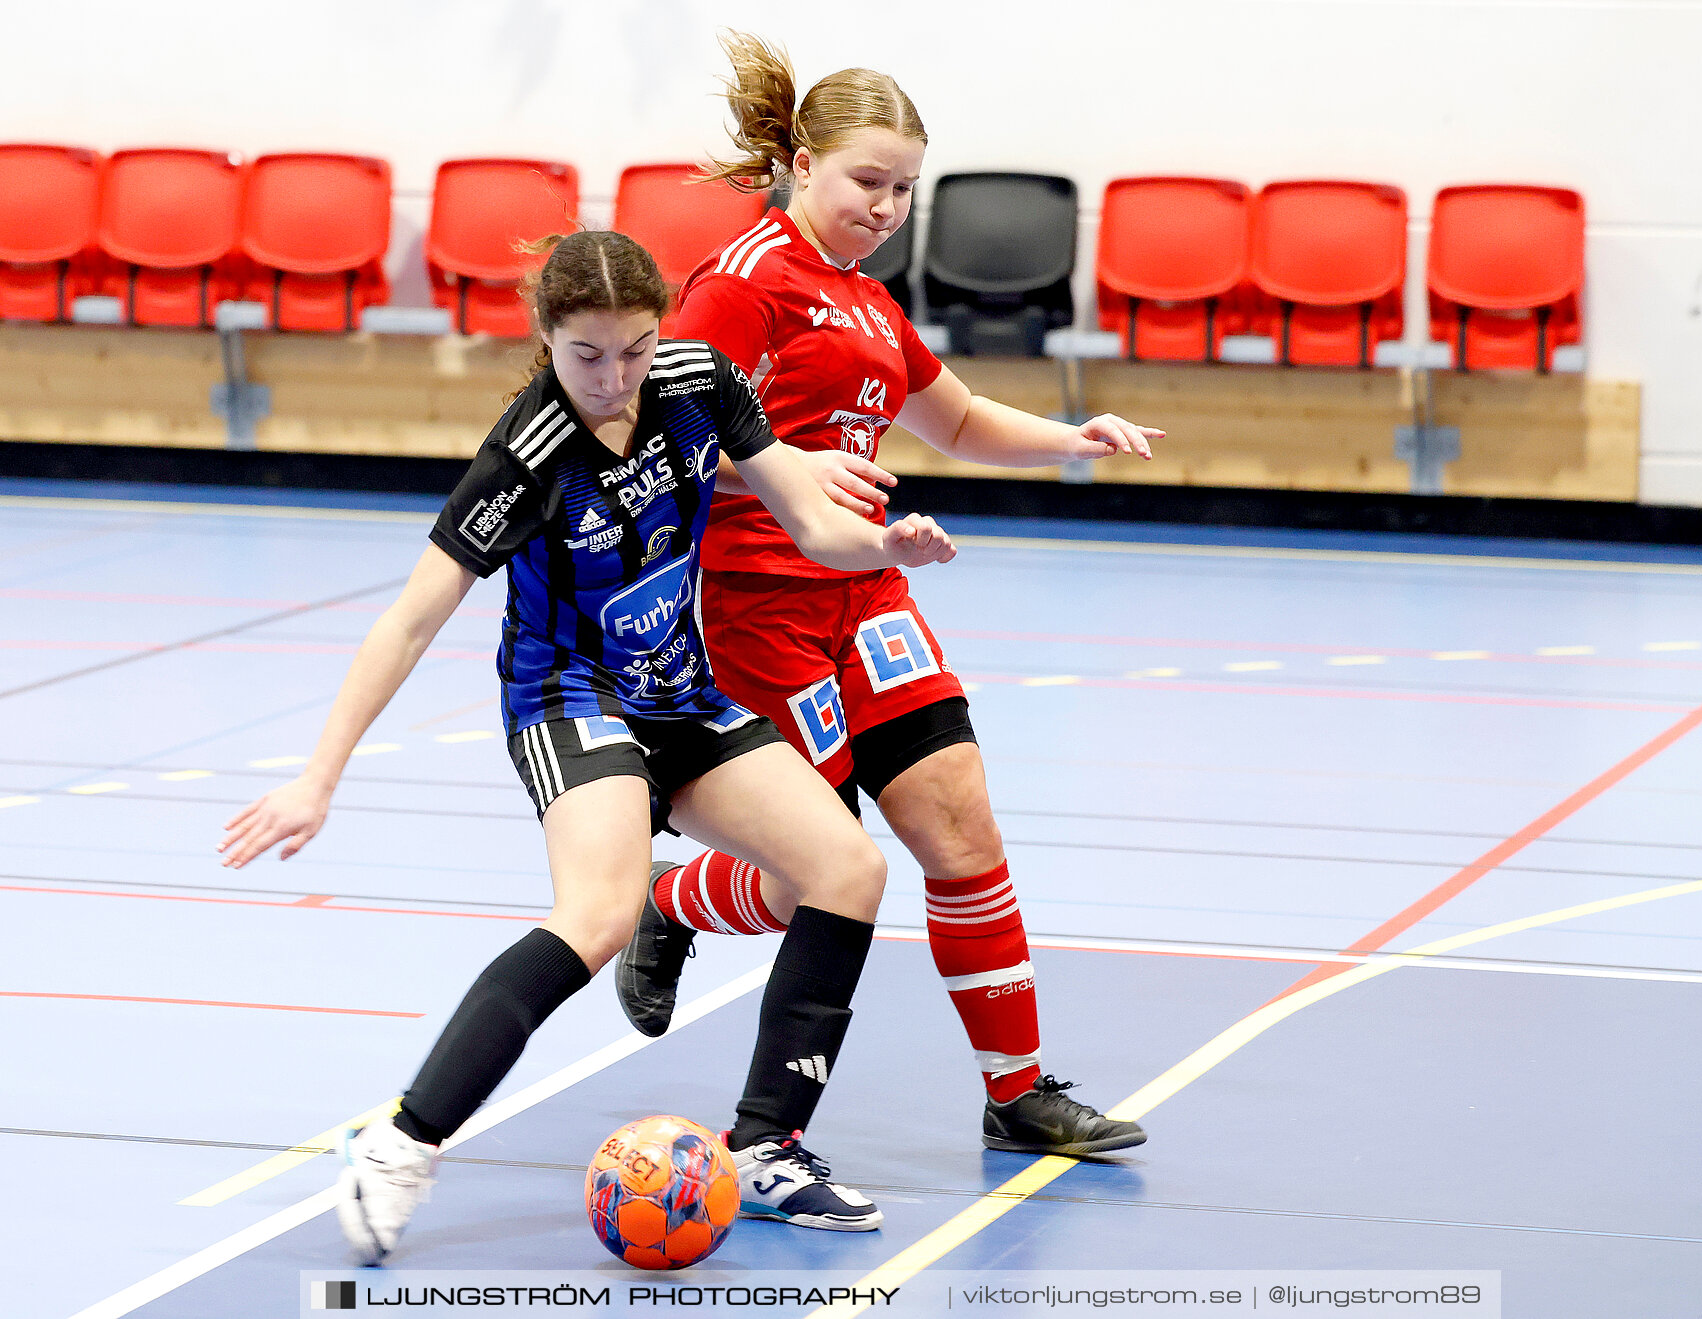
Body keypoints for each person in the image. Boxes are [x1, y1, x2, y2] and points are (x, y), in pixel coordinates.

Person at [217, 229, 959, 1261]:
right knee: (600, 912)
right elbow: (409, 621)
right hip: (568, 697)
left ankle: (769, 1145)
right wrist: (317, 775)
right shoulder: (526, 458)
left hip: (678, 691)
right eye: (587, 356)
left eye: (635, 349)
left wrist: (884, 544)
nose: (614, 378)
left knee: (848, 865)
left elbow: (806, 517)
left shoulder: (701, 380)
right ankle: (403, 1139)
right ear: (546, 339)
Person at [614, 33, 1161, 1159]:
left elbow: (953, 419)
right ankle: (668, 898)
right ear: (802, 162)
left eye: (905, 188)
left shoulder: (862, 300)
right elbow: (646, 437)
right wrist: (783, 469)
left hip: (863, 591)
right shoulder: (747, 284)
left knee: (960, 820)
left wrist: (1075, 436)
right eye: (868, 180)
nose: (887, 206)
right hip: (754, 608)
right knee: (813, 874)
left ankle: (1017, 1091)